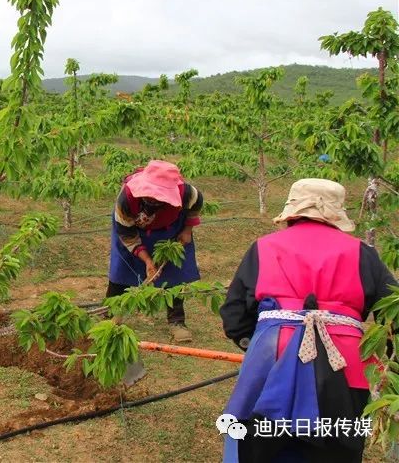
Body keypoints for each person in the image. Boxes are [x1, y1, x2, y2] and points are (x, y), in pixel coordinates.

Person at [220, 179, 397, 463]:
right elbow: (393, 312)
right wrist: (388, 359)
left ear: (292, 209)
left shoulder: (264, 247)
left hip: (272, 357)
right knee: (337, 446)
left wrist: (251, 344)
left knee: (259, 443)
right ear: (336, 213)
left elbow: (234, 313)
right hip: (346, 362)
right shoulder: (362, 253)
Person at [107, 160, 203, 343]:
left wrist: (187, 230)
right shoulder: (126, 199)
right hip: (133, 231)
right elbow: (126, 233)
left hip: (170, 230)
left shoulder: (187, 193)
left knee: (175, 274)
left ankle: (177, 321)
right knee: (122, 270)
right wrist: (147, 261)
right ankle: (112, 315)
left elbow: (196, 204)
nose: (154, 199)